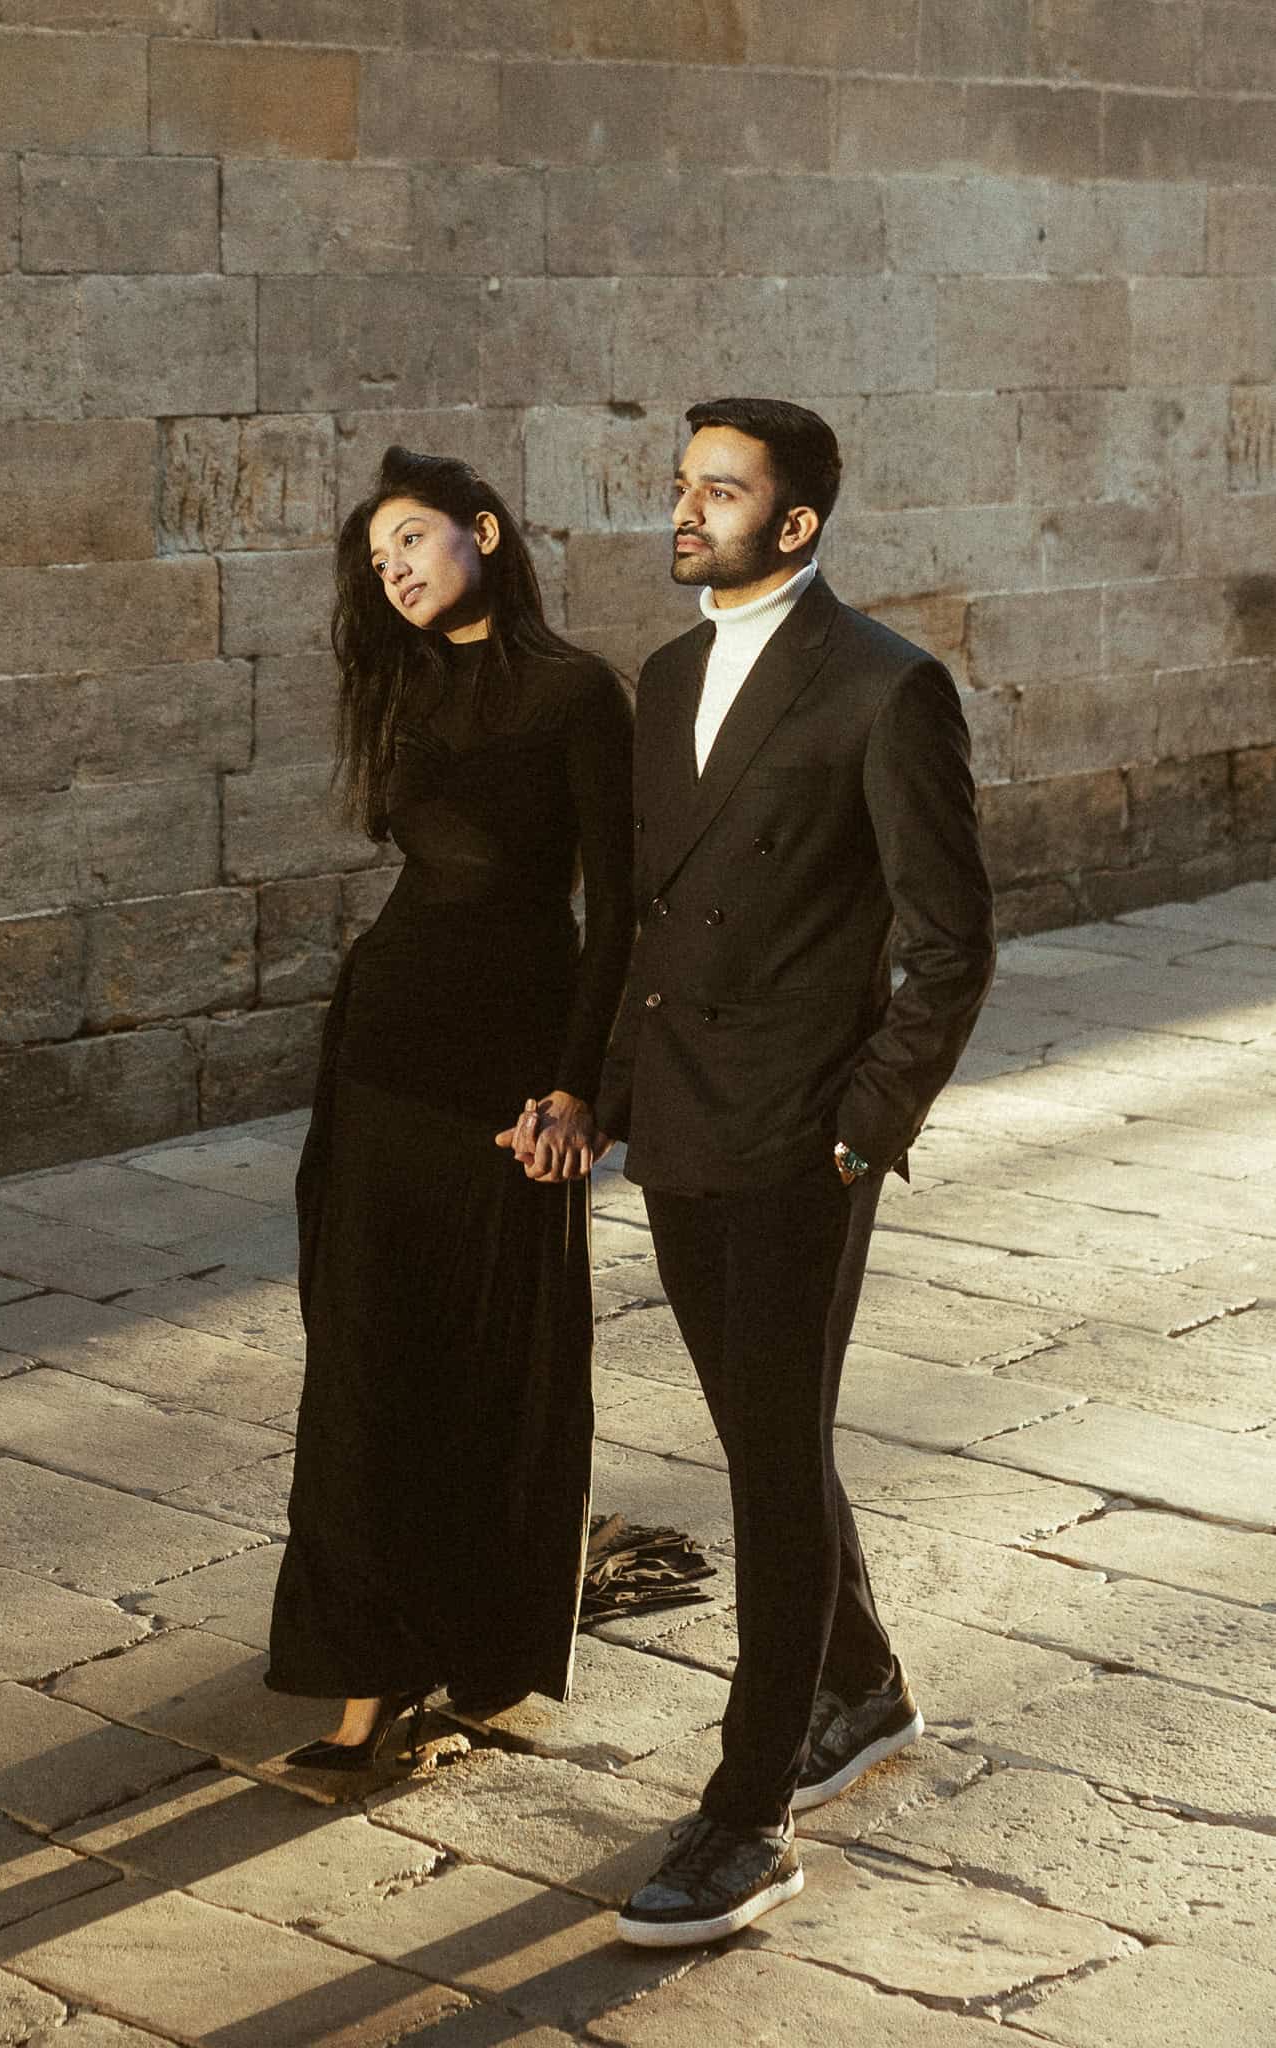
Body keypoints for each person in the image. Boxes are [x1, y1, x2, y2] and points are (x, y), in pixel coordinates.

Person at [593, 397, 996, 1944]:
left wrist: (860, 1127)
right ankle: (860, 1683)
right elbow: (644, 914)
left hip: (797, 1142)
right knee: (765, 1430)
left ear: (797, 524)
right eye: (681, 482)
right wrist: (610, 1092)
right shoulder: (672, 673)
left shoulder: (886, 690)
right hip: (684, 1123)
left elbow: (951, 943)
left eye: (719, 490)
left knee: (764, 1465)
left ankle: (745, 1813)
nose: (685, 509)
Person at [265, 445, 634, 1764]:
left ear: (483, 530)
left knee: (487, 1371)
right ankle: (368, 1676)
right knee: (363, 1365)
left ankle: (476, 1655)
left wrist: (581, 1087)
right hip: (377, 1060)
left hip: (506, 1078)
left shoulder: (577, 693)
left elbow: (615, 915)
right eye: (377, 560)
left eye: (412, 540)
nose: (396, 570)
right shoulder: (401, 690)